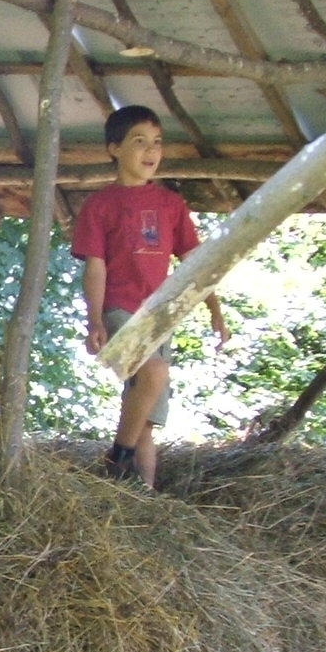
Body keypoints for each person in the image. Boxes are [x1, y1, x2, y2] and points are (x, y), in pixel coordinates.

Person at [72, 106, 228, 488]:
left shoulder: (171, 206)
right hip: (119, 309)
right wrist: (94, 320)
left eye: (156, 142)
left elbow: (196, 264)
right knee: (155, 372)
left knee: (144, 421)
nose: (150, 151)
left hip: (159, 317)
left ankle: (143, 499)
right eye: (138, 141)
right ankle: (117, 459)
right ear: (114, 148)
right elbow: (95, 267)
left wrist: (215, 310)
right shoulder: (100, 205)